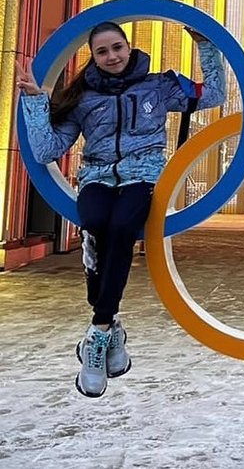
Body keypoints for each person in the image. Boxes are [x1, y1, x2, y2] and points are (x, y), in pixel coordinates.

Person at [15, 21, 226, 397]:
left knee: (123, 226)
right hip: (97, 175)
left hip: (142, 175)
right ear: (92, 56)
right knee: (95, 220)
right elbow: (47, 150)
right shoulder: (82, 96)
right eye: (102, 51)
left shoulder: (159, 85)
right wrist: (34, 101)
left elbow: (212, 95)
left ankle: (98, 331)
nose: (111, 57)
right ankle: (110, 330)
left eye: (117, 48)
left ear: (129, 48)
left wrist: (207, 46)